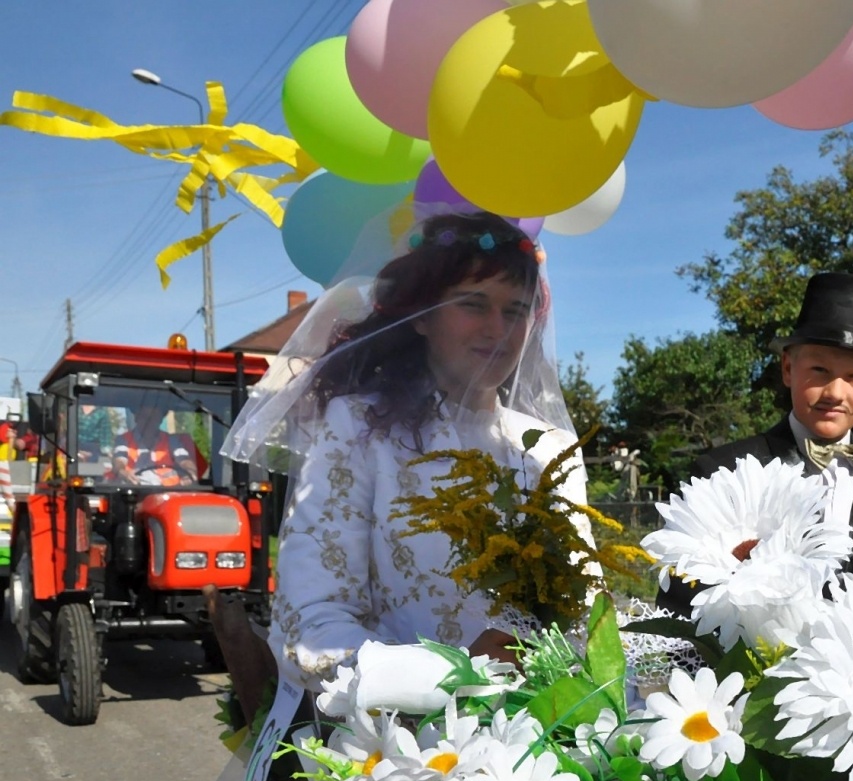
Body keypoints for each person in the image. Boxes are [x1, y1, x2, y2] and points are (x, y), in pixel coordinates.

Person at [225, 209, 585, 691]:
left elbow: (583, 614)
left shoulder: (552, 451)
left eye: (515, 310)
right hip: (400, 741)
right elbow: (309, 623)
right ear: (422, 319)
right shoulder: (358, 430)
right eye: (473, 304)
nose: (497, 329)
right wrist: (452, 676)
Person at [661, 272, 853, 616]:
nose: (835, 392)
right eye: (819, 369)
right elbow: (683, 597)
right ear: (788, 368)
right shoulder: (722, 469)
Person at [109, 397, 200, 486]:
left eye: (154, 417)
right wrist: (122, 472)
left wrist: (190, 472)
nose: (149, 421)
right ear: (136, 418)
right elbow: (119, 460)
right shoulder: (124, 439)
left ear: (160, 420)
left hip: (168, 492)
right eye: (144, 417)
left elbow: (184, 459)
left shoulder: (171, 440)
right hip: (135, 490)